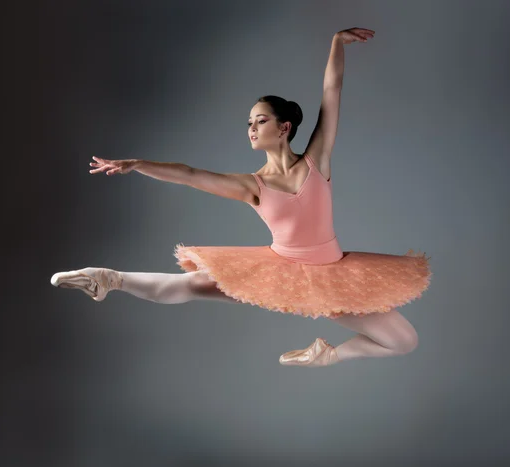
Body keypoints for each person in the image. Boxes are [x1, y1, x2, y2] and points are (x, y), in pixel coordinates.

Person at [51, 27, 432, 367]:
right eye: (248, 123)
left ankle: (328, 354)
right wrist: (138, 164)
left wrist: (337, 43)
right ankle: (106, 278)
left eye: (260, 121)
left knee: (403, 341)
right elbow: (189, 175)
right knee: (188, 286)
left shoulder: (317, 159)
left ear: (284, 127)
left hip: (333, 274)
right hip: (278, 269)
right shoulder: (253, 186)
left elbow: (331, 92)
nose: (251, 128)